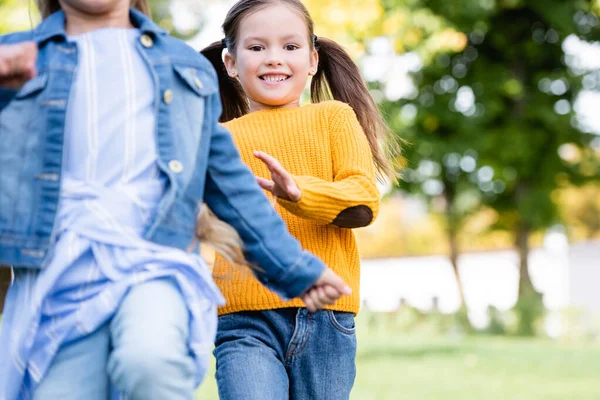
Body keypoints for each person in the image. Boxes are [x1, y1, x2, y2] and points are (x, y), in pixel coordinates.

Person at [0, 0, 351, 398]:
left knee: (150, 360)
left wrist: (294, 267)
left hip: (152, 258)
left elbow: (230, 186)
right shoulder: (15, 58)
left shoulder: (182, 68)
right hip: (60, 270)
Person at [200, 0, 399, 398]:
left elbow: (363, 202)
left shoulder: (334, 118)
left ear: (312, 60)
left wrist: (298, 193)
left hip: (326, 318)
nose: (274, 59)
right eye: (257, 48)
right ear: (231, 62)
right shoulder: (218, 138)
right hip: (244, 318)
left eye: (289, 47)